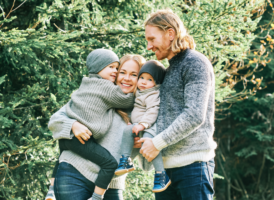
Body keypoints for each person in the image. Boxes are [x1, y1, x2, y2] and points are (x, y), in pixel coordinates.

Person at [47, 54, 152, 200]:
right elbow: (55, 120)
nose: (126, 78)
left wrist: (143, 144)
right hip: (75, 174)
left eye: (134, 74)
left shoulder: (147, 112)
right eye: (122, 72)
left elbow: (148, 166)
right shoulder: (98, 94)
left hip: (111, 184)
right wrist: (73, 125)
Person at [138, 9, 217, 200]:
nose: (149, 46)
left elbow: (194, 115)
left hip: (193, 167)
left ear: (170, 34)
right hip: (166, 171)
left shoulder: (195, 63)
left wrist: (156, 143)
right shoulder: (168, 69)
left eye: (152, 39)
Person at [114, 60, 170, 193]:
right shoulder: (141, 92)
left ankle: (161, 174)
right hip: (138, 125)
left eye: (149, 79)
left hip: (149, 127)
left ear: (156, 82)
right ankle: (126, 159)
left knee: (150, 143)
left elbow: (153, 110)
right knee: (127, 130)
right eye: (141, 78)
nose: (144, 82)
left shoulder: (153, 94)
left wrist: (143, 124)